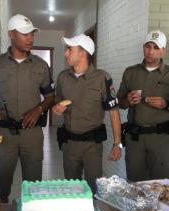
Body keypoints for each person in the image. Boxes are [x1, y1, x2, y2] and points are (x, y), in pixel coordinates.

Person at [0, 14, 54, 203]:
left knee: (34, 186)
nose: (30, 38)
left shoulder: (41, 66)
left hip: (32, 133)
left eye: (32, 34)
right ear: (11, 34)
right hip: (4, 133)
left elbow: (50, 97)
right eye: (25, 34)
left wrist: (38, 110)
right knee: (0, 186)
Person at [52, 34, 122, 193]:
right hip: (69, 143)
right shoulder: (63, 77)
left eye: (70, 50)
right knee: (71, 189)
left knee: (94, 190)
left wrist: (117, 144)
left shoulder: (102, 78)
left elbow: (113, 112)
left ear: (83, 53)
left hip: (92, 146)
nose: (66, 53)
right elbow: (56, 103)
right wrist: (56, 109)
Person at [117, 30, 169, 182]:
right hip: (135, 138)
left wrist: (166, 104)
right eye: (147, 46)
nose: (150, 52)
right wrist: (127, 101)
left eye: (156, 48)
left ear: (163, 51)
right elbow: (119, 103)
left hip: (159, 138)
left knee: (159, 183)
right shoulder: (130, 72)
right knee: (135, 182)